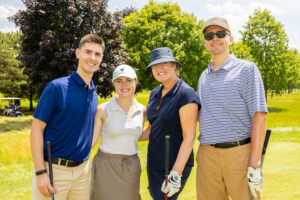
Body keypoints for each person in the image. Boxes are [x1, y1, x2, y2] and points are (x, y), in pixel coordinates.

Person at [196, 17, 268, 200]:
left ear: (231, 38)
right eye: (209, 35)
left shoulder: (247, 70)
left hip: (239, 154)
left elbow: (259, 116)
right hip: (207, 155)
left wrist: (255, 163)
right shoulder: (203, 76)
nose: (215, 38)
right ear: (205, 42)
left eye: (220, 33)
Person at [30, 34, 105, 200]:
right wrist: (41, 172)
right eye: (88, 52)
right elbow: (36, 129)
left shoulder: (94, 95)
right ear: (78, 53)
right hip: (54, 171)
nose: (92, 58)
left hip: (83, 173)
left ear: (101, 58)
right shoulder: (56, 87)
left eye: (97, 54)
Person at [145, 47, 200, 200]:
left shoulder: (186, 94)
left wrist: (176, 173)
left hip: (173, 164)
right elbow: (151, 128)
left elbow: (189, 137)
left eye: (164, 64)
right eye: (155, 66)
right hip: (154, 162)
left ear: (174, 65)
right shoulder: (155, 93)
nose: (159, 69)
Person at [90, 64, 147, 200]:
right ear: (114, 84)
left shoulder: (142, 109)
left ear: (135, 82)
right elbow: (91, 142)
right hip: (106, 166)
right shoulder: (103, 110)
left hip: (131, 166)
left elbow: (136, 134)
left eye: (128, 80)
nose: (124, 85)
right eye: (119, 81)